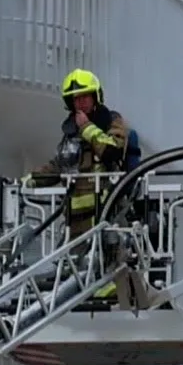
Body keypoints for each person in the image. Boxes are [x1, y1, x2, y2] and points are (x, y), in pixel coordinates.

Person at [25, 68, 130, 300]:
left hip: (105, 210)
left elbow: (112, 150)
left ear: (96, 97)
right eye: (75, 99)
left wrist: (87, 128)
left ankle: (107, 286)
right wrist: (30, 179)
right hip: (76, 216)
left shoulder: (112, 121)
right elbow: (59, 164)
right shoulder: (69, 134)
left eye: (84, 97)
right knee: (75, 266)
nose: (80, 103)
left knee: (107, 256)